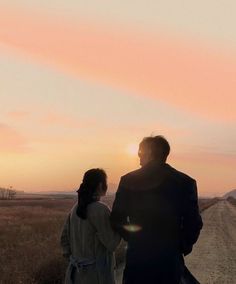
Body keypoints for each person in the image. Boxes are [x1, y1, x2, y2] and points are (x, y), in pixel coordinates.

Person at [110, 136, 203, 284]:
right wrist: (179, 247)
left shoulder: (128, 180)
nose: (138, 157)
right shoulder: (185, 182)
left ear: (150, 152)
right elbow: (194, 223)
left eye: (140, 153)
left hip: (137, 259)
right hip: (169, 260)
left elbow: (116, 219)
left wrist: (135, 238)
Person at [61, 168, 121, 284]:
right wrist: (121, 226)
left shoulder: (75, 208)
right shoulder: (100, 210)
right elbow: (112, 244)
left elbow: (64, 241)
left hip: (74, 275)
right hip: (96, 276)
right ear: (100, 185)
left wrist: (76, 259)